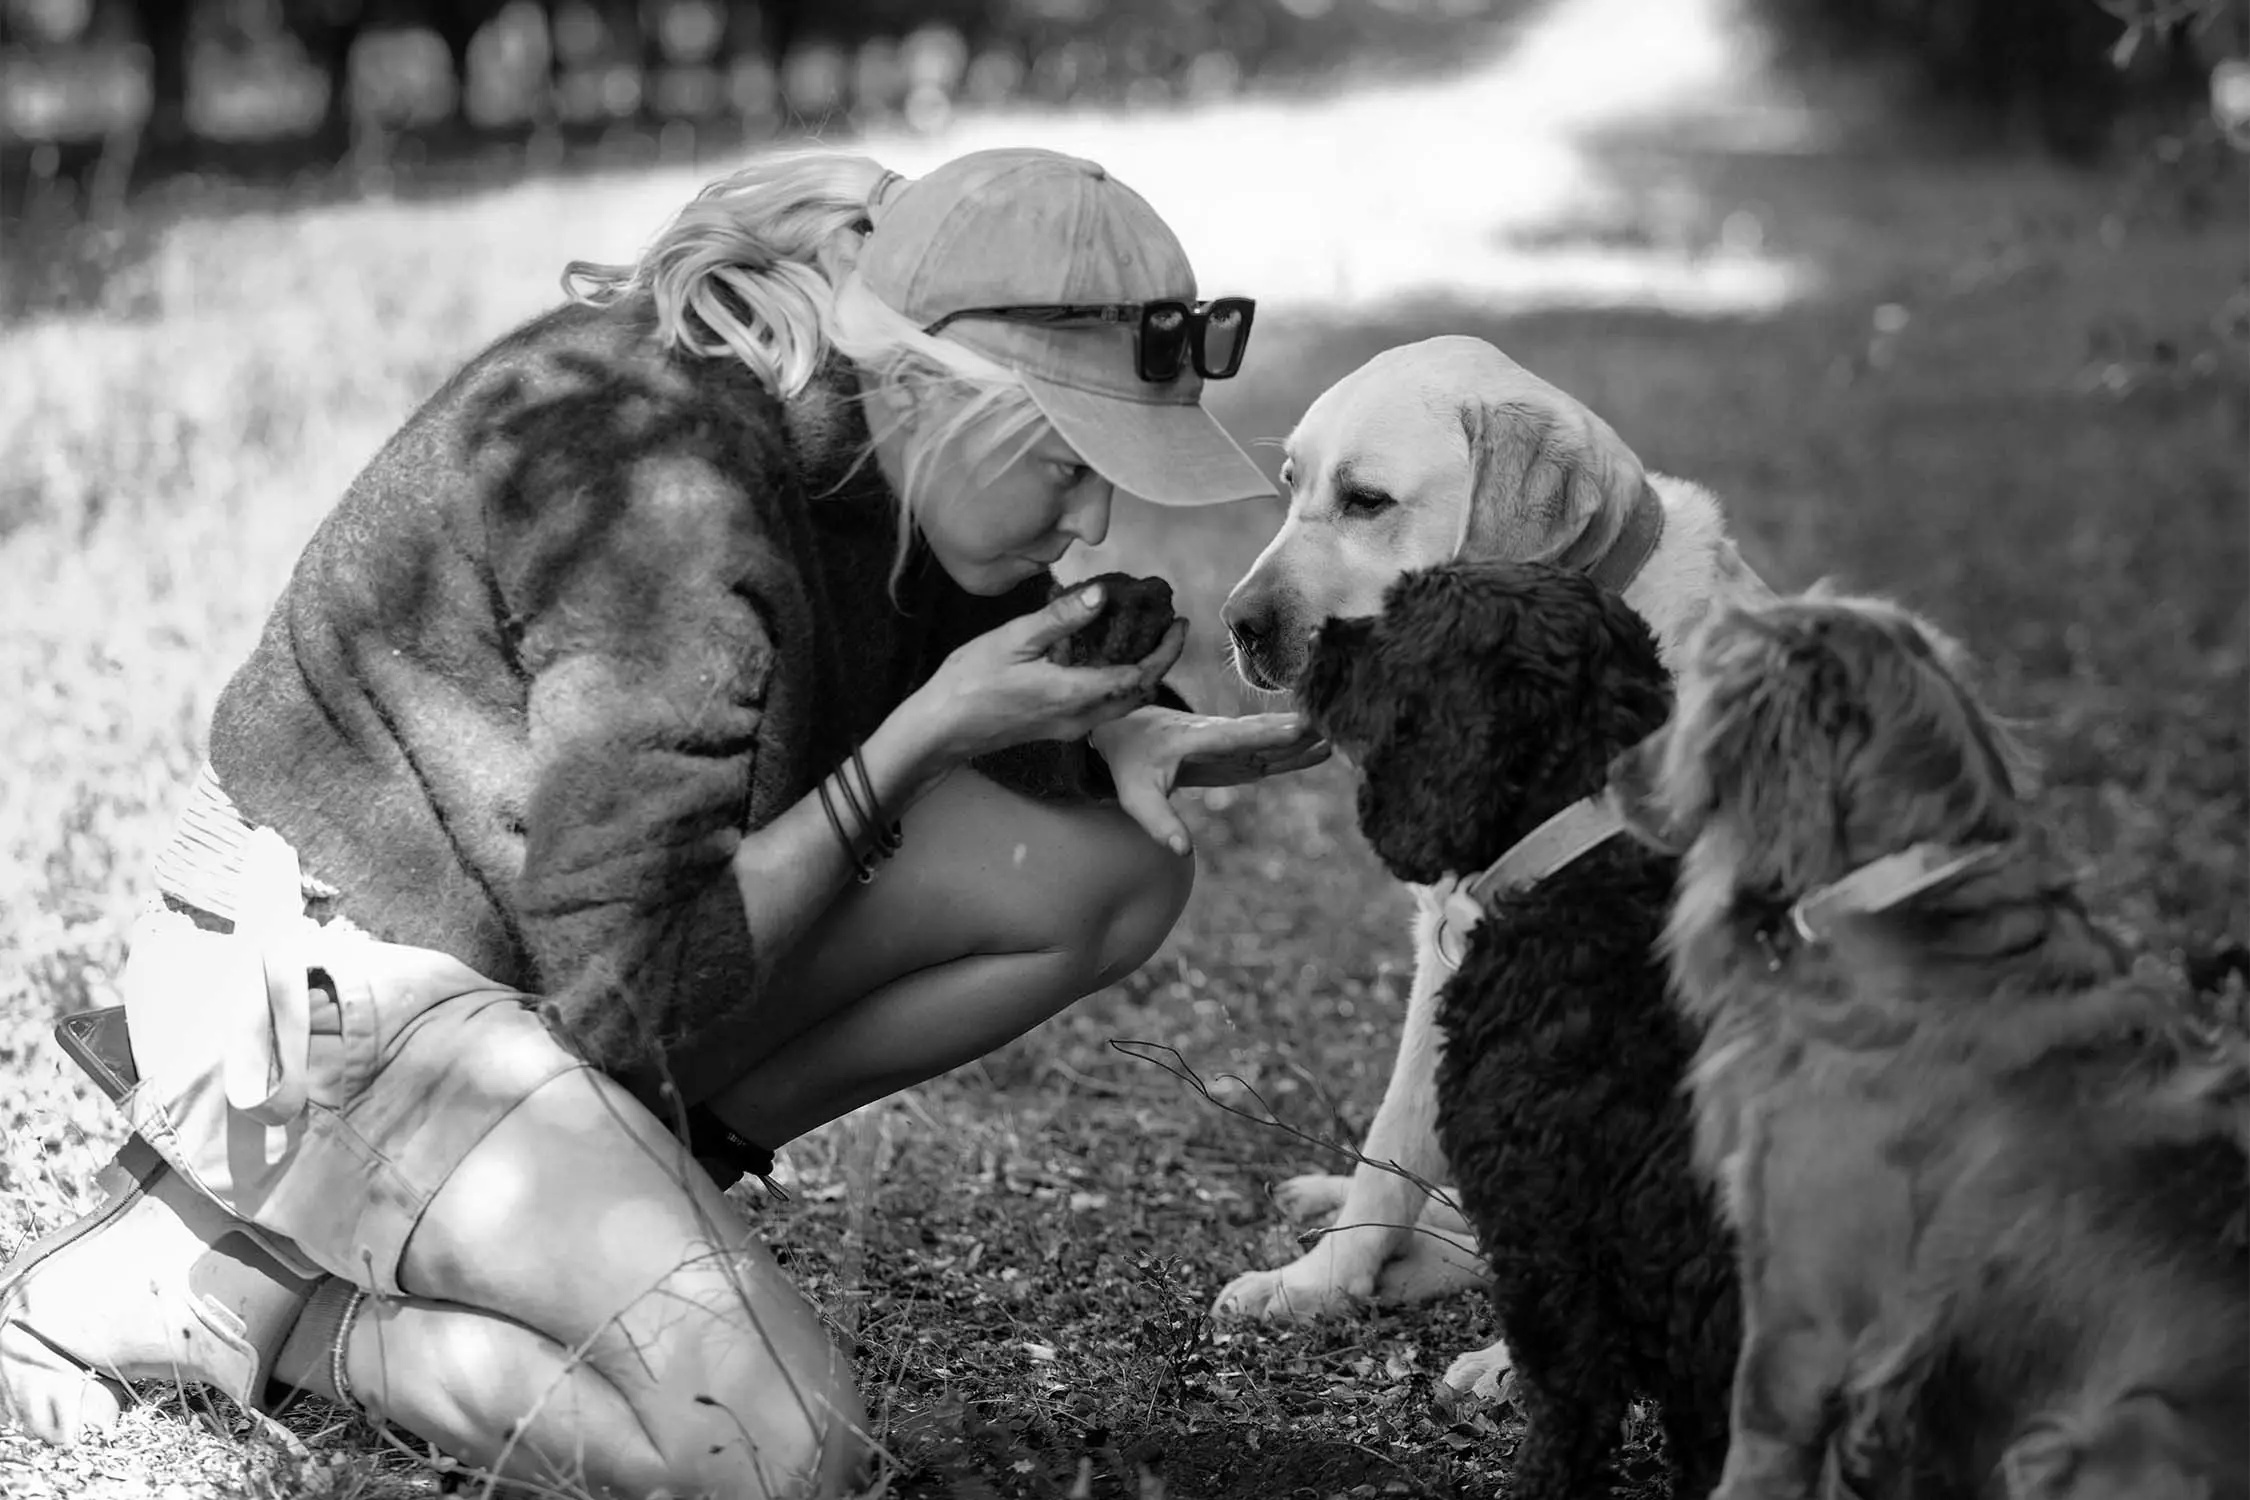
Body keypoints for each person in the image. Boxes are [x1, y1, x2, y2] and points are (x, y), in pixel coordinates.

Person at [0, 145, 1327, 1498]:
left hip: (530, 964)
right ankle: (277, 1307)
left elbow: (944, 656)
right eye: (1064, 461)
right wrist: (929, 736)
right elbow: (634, 986)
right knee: (774, 1449)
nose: (1093, 513)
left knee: (1098, 874)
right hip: (333, 990)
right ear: (932, 383)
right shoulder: (671, 507)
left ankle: (635, 1179)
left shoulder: (867, 450)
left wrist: (1107, 731)